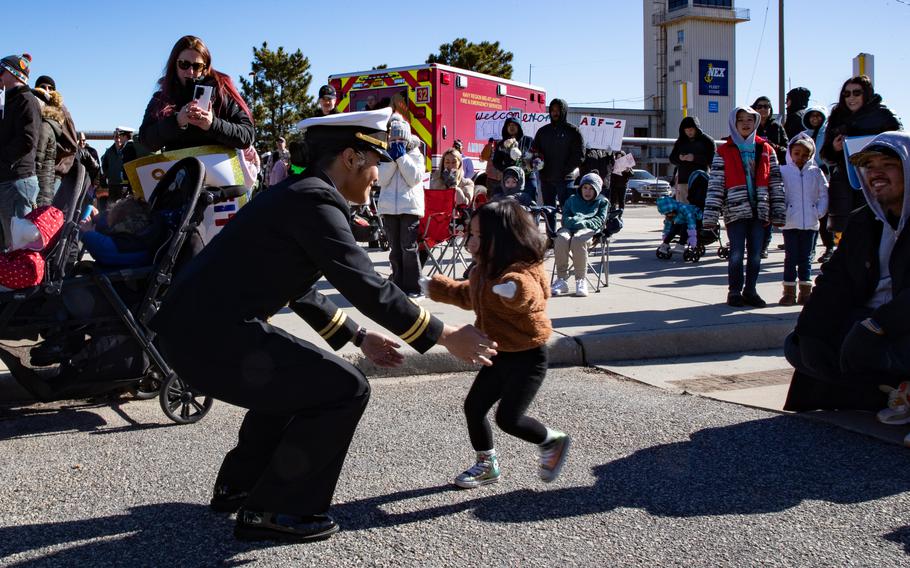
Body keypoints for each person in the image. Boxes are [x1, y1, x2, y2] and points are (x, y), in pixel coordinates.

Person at [150, 108, 498, 543]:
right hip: (212, 337)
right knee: (345, 388)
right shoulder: (315, 200)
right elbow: (366, 284)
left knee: (295, 378)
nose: (375, 175)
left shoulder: (297, 193)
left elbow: (299, 289)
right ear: (350, 158)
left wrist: (359, 336)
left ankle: (239, 485)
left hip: (196, 334)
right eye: (372, 163)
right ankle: (277, 510)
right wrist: (446, 336)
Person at [422, 198, 570, 489]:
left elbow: (530, 295)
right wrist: (436, 288)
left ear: (501, 238)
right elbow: (468, 296)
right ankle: (486, 464)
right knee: (473, 407)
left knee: (509, 419)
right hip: (498, 352)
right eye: (471, 234)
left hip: (529, 357)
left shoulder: (523, 268)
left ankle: (553, 440)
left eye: (479, 236)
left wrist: (512, 290)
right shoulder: (482, 270)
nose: (471, 241)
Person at [783, 132, 910, 424]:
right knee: (798, 345)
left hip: (896, 324)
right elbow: (835, 279)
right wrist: (811, 330)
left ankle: (880, 387)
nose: (875, 173)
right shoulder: (863, 219)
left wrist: (877, 326)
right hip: (867, 320)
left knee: (882, 348)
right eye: (869, 166)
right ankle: (888, 390)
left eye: (888, 165)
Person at [703, 106, 785, 308]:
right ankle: (734, 291)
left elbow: (775, 181)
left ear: (756, 122)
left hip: (760, 210)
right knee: (737, 252)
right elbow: (715, 185)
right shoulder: (723, 151)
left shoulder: (766, 149)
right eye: (741, 120)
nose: (746, 123)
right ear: (734, 123)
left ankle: (751, 290)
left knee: (756, 253)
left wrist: (779, 212)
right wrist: (710, 216)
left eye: (750, 119)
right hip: (735, 210)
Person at [139, 35, 254, 153]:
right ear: (174, 65)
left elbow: (247, 136)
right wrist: (177, 121)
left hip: (217, 168)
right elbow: (145, 142)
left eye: (197, 66)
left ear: (205, 68)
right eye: (184, 64)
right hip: (180, 169)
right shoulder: (162, 98)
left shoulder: (221, 91)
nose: (190, 71)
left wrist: (212, 124)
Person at [820, 75, 902, 239]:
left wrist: (878, 147)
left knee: (877, 228)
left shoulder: (883, 114)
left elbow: (899, 145)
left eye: (856, 93)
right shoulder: (837, 116)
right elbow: (825, 154)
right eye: (847, 94)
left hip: (877, 178)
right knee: (847, 234)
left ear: (866, 93)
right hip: (846, 181)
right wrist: (835, 148)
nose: (851, 98)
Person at [377, 113, 425, 297]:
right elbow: (381, 179)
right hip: (389, 208)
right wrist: (391, 159)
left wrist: (402, 158)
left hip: (409, 207)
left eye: (400, 138)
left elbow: (414, 178)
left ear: (406, 139)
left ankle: (414, 286)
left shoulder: (415, 155)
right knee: (395, 248)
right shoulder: (386, 156)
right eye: (393, 138)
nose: (397, 142)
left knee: (408, 247)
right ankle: (397, 282)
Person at [778, 134, 828, 306]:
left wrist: (819, 211)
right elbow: (778, 194)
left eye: (805, 154)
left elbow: (824, 193)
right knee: (791, 257)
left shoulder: (815, 172)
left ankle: (805, 292)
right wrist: (782, 213)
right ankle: (789, 292)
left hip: (811, 224)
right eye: (797, 153)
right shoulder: (783, 171)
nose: (800, 157)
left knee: (806, 258)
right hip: (790, 222)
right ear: (790, 153)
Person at [0, 53, 41, 249]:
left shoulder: (26, 99)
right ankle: (12, 278)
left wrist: (3, 157)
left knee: (21, 243)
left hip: (18, 179)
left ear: (13, 73)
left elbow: (28, 140)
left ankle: (25, 279)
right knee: (11, 241)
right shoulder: (10, 101)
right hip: (9, 178)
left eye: (1, 70)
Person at [551, 172, 609, 297]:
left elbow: (599, 221)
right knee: (561, 238)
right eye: (585, 187)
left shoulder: (602, 202)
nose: (587, 191)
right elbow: (565, 219)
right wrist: (574, 222)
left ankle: (580, 280)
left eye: (591, 189)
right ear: (581, 188)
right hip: (569, 228)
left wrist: (580, 222)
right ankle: (561, 280)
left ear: (597, 190)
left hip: (588, 230)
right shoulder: (572, 200)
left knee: (578, 240)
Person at [533, 99, 584, 236]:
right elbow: (535, 152)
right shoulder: (542, 131)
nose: (555, 113)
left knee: (567, 210)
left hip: (565, 179)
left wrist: (565, 170)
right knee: (549, 211)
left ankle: (568, 237)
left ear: (564, 111)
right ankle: (551, 238)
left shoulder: (573, 131)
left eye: (558, 110)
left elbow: (579, 155)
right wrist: (536, 162)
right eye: (553, 110)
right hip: (546, 178)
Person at [79, 197, 165, 267]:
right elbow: (108, 222)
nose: (108, 213)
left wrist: (88, 233)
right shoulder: (139, 227)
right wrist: (98, 217)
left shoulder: (134, 243)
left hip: (118, 280)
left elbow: (105, 250)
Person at [669, 116, 716, 204]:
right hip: (683, 181)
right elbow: (672, 158)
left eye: (691, 130)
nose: (688, 132)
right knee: (684, 209)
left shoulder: (707, 141)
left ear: (696, 128)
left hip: (700, 181)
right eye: (686, 130)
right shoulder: (680, 141)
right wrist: (679, 158)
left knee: (699, 208)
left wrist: (694, 158)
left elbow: (712, 160)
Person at [492, 117, 540, 198]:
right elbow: (496, 161)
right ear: (506, 128)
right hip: (509, 180)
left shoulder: (529, 140)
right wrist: (506, 169)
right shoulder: (501, 144)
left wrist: (526, 163)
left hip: (527, 178)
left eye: (514, 125)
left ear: (519, 127)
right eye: (509, 125)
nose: (511, 127)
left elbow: (536, 157)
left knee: (530, 199)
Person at [32, 88, 60, 207]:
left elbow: (37, 159)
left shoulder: (43, 126)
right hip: (45, 185)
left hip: (40, 186)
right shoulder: (47, 124)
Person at [100, 128, 137, 205]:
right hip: (112, 184)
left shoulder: (129, 150)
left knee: (123, 206)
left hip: (124, 185)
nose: (118, 139)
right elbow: (104, 164)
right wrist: (108, 175)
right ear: (113, 138)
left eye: (119, 136)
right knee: (111, 206)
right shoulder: (109, 151)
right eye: (116, 137)